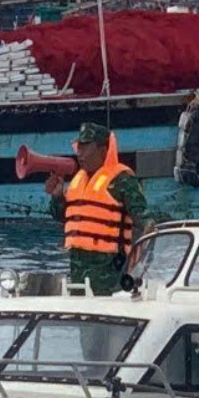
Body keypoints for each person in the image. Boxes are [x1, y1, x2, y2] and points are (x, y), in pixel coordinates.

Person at [45, 122, 150, 296]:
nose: (79, 153)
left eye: (86, 147)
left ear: (103, 150)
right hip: (78, 271)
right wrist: (57, 197)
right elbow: (65, 217)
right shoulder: (78, 180)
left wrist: (149, 225)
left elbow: (141, 214)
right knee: (82, 319)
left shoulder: (122, 180)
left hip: (109, 274)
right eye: (78, 147)